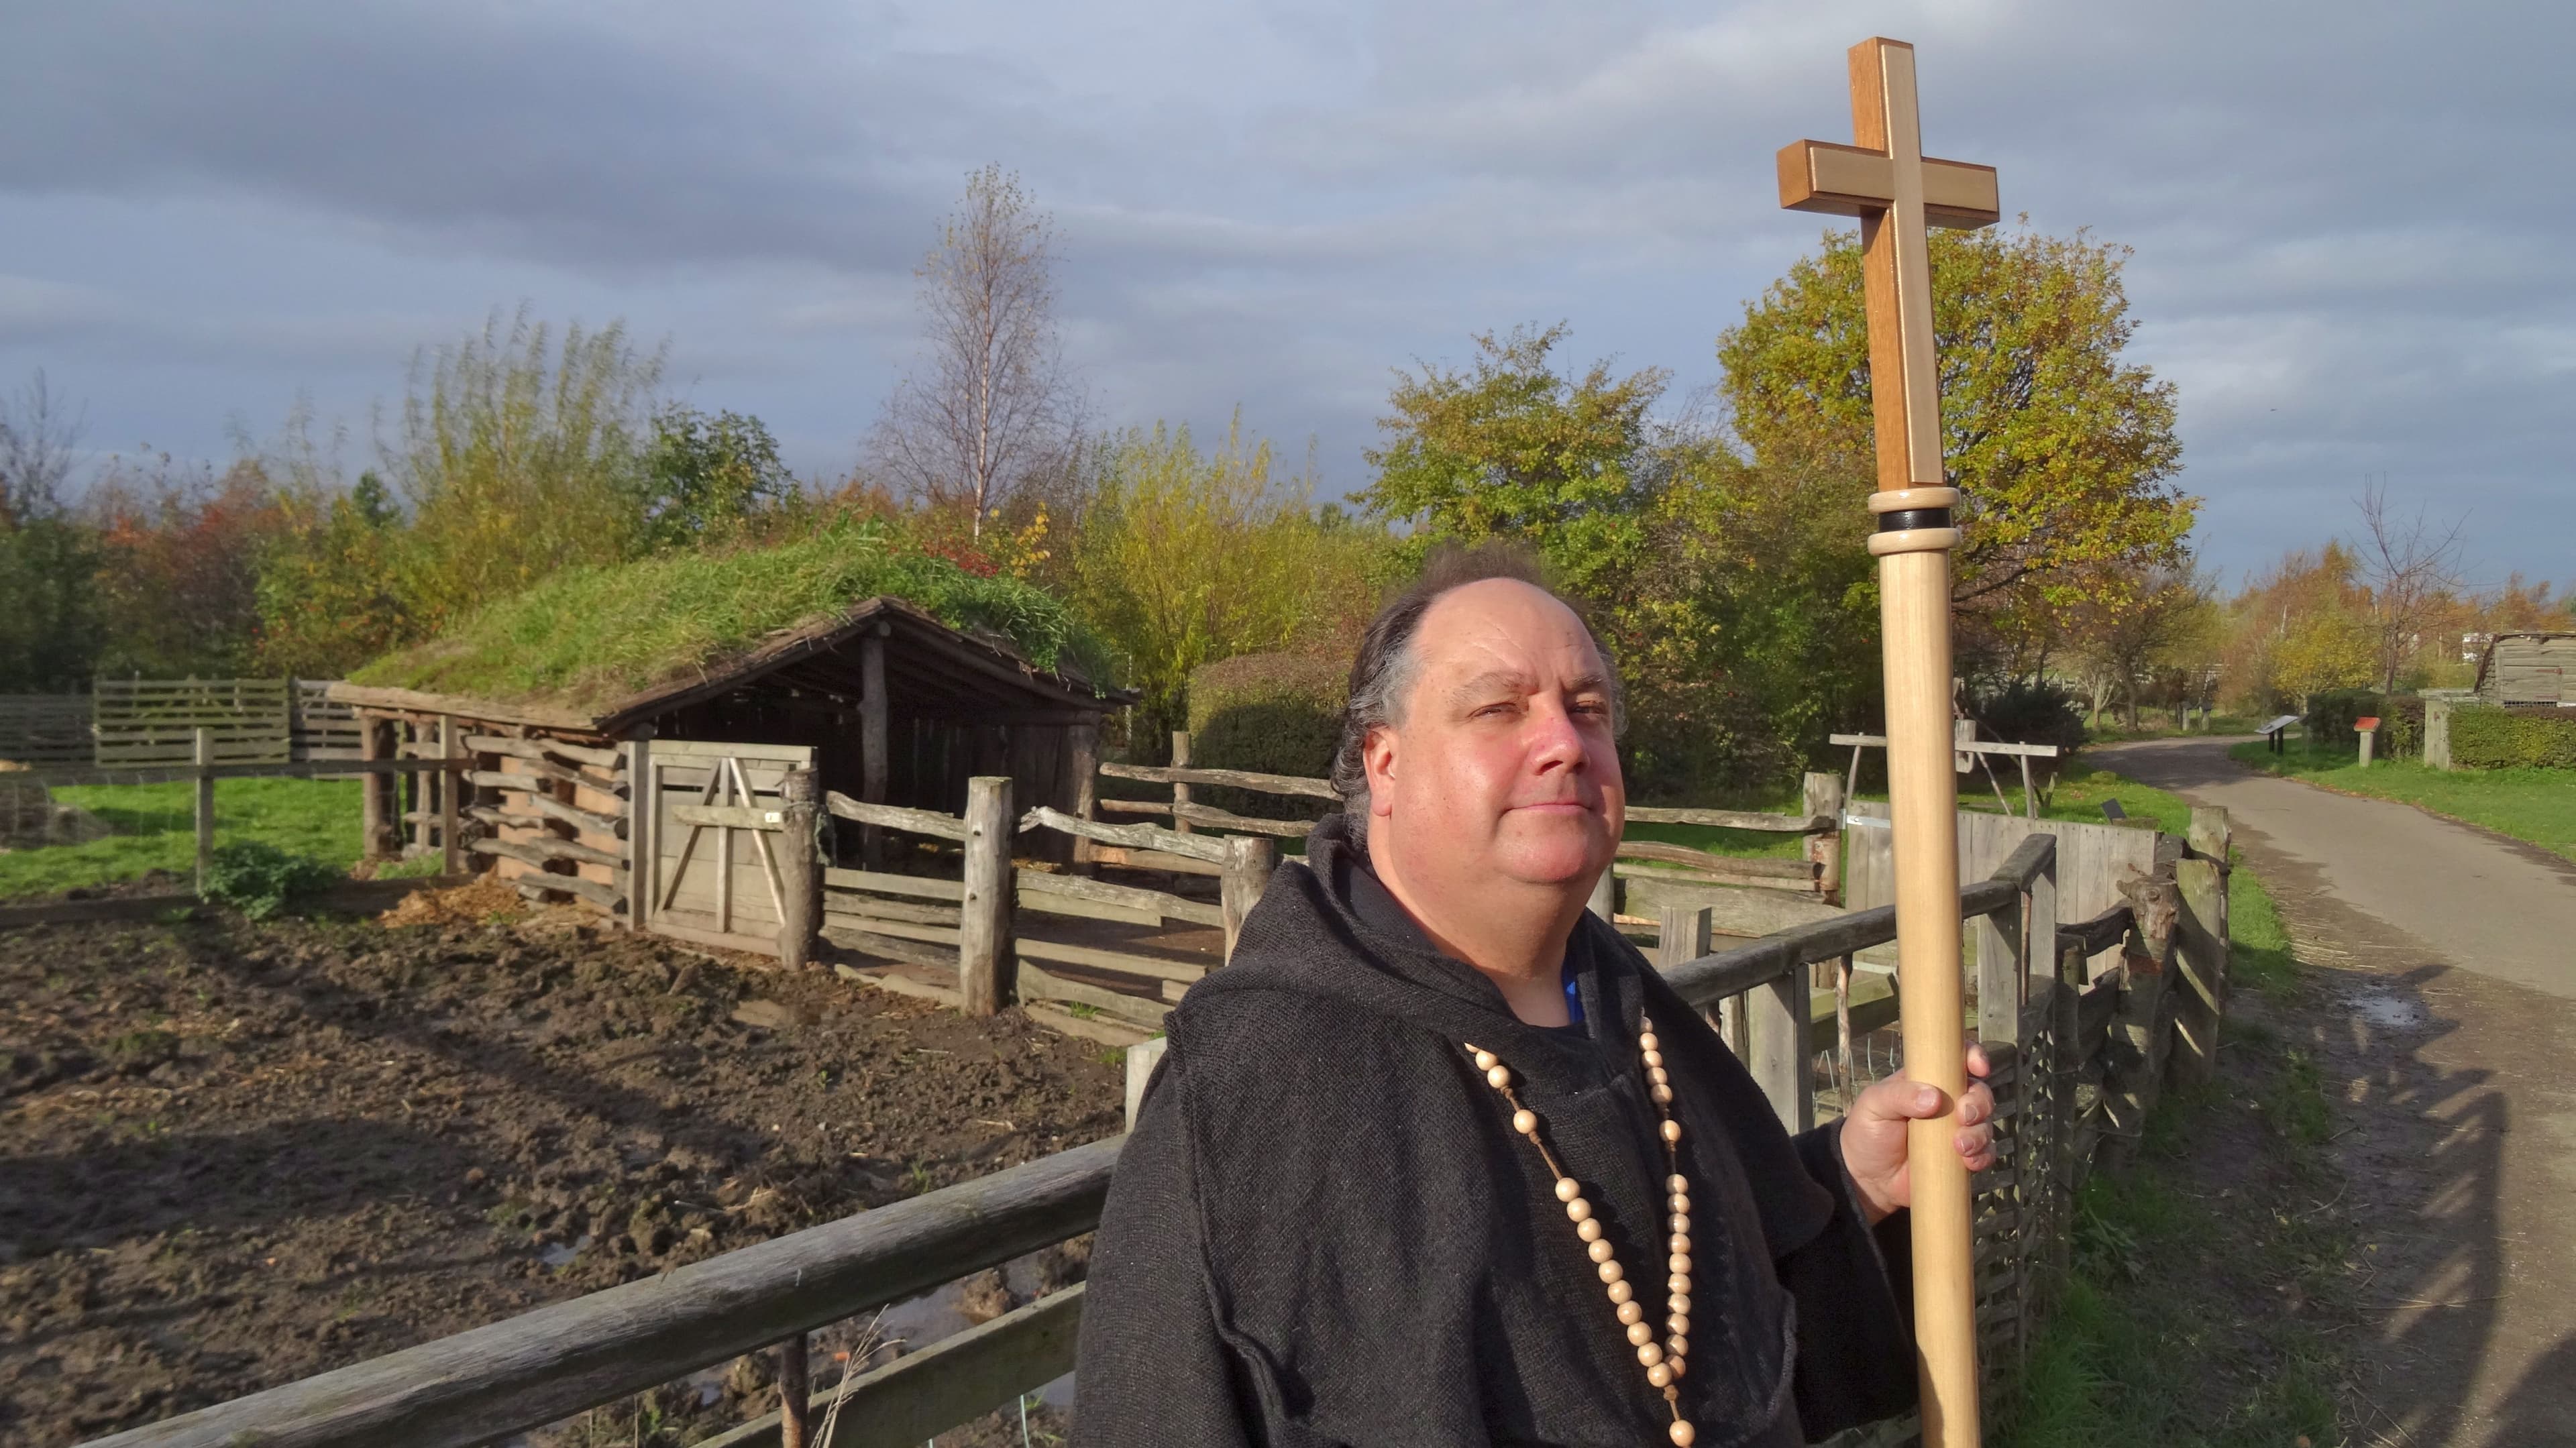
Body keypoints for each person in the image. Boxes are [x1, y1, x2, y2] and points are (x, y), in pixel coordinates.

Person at [1073, 545, 1994, 1447]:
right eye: (1497, 709)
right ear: (1384, 764)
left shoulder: (1630, 1008)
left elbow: (1722, 1333)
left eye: (1587, 709)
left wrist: (1854, 1183)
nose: (1564, 743)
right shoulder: (1251, 1079)